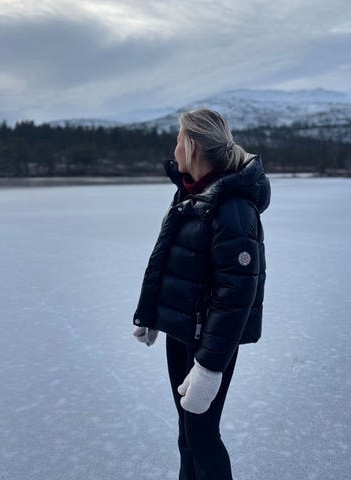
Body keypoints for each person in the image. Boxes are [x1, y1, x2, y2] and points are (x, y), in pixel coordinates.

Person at [132, 108, 270, 480]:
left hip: (210, 342)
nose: (174, 148)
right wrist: (152, 314)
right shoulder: (189, 193)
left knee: (202, 434)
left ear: (192, 146)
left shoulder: (234, 208)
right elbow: (167, 258)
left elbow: (236, 295)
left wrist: (209, 368)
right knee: (187, 432)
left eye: (178, 140)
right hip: (180, 332)